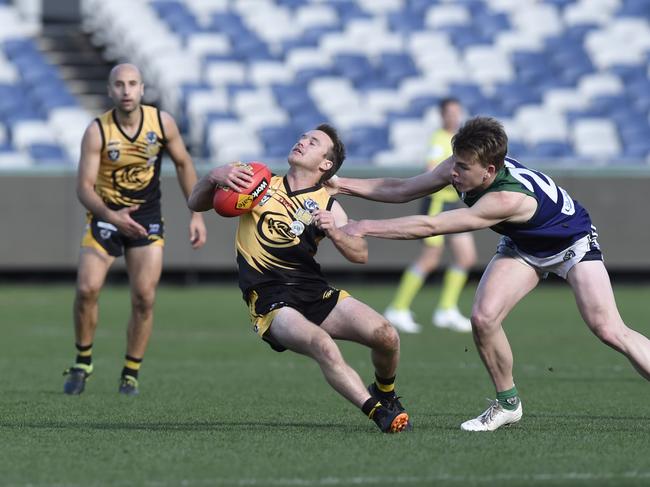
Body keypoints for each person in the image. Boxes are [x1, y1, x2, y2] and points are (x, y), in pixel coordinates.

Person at [330, 116, 650, 431]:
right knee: (483, 318)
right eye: (455, 162)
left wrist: (364, 226)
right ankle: (508, 404)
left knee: (608, 329)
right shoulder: (463, 163)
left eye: (464, 168)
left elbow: (431, 225)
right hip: (524, 244)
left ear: (490, 171)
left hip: (571, 243)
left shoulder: (506, 199)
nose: (454, 172)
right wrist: (340, 184)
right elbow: (402, 189)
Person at [187, 124, 411, 433]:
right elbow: (195, 203)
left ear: (325, 164)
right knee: (323, 344)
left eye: (313, 142)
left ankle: (384, 393)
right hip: (269, 296)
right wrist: (214, 176)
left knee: (387, 336)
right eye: (303, 137)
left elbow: (360, 254)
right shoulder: (258, 184)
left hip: (312, 290)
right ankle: (378, 414)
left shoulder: (329, 204)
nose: (302, 142)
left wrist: (334, 230)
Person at [63, 63, 207, 396]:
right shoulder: (98, 130)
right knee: (86, 289)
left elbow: (184, 163)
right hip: (105, 216)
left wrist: (196, 214)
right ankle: (83, 361)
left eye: (132, 84)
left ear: (142, 89)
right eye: (119, 84)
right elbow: (84, 187)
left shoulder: (161, 122)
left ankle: (131, 372)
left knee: (144, 297)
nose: (126, 91)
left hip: (146, 218)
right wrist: (110, 215)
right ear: (110, 90)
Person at [384, 97, 476, 333]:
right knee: (431, 258)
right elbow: (432, 171)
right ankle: (398, 307)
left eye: (457, 111)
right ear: (442, 115)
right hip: (436, 203)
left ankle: (446, 309)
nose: (454, 116)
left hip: (453, 203)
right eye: (450, 112)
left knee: (466, 257)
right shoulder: (439, 139)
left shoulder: (461, 141)